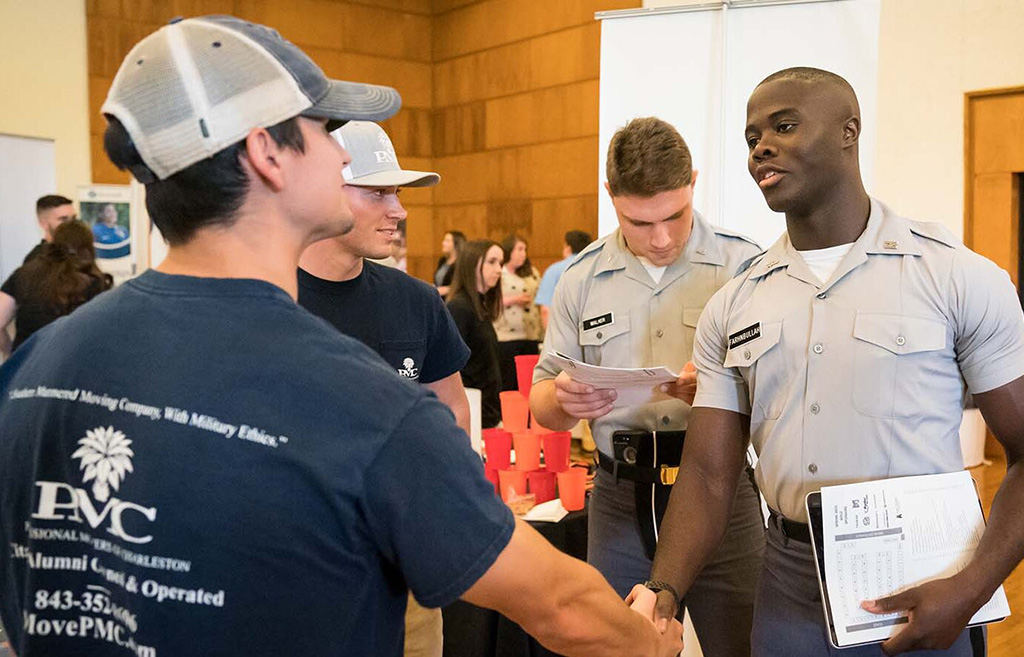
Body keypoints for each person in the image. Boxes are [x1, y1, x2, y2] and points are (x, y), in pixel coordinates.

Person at [0, 16, 681, 657]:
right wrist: (648, 641)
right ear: (268, 153)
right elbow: (559, 604)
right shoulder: (362, 403)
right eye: (326, 128)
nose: (340, 150)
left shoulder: (37, 366)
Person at [649, 67, 1024, 657]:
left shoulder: (955, 276)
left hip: (925, 588)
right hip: (788, 589)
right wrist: (663, 587)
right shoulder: (736, 302)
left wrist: (971, 588)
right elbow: (708, 474)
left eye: (785, 126)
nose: (761, 148)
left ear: (849, 131)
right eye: (752, 138)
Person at [531, 116, 766, 657]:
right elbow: (544, 403)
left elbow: (780, 391)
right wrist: (564, 399)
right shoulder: (580, 278)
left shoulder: (745, 265)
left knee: (746, 643)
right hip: (619, 495)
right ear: (610, 195)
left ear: (694, 183)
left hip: (721, 488)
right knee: (616, 646)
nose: (660, 238)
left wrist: (718, 393)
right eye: (639, 223)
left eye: (675, 216)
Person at [298, 119, 467, 657]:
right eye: (377, 191)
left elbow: (453, 414)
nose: (399, 209)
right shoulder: (267, 301)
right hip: (300, 578)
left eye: (397, 192)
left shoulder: (416, 300)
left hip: (408, 581)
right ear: (323, 186)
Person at [0, 219, 112, 357]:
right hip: (69, 365)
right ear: (89, 248)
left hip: (27, 364)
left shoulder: (25, 273)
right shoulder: (95, 282)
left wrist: (10, 352)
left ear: (54, 243)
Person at [447, 240, 505, 429]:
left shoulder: (479, 307)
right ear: (473, 264)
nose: (498, 270)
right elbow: (451, 368)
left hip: (487, 412)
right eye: (492, 262)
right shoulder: (459, 308)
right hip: (473, 413)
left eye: (501, 263)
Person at [494, 233, 543, 391]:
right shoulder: (499, 273)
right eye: (519, 249)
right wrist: (513, 299)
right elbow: (488, 301)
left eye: (525, 249)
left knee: (529, 382)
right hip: (507, 335)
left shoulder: (531, 272)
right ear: (509, 251)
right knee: (509, 381)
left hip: (530, 333)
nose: (523, 253)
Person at [535, 229, 592, 330]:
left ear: (568, 247)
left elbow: (545, 310)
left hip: (563, 333)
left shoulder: (554, 271)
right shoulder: (595, 269)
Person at [22, 195, 76, 264]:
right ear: (43, 223)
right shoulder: (36, 260)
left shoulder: (77, 254)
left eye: (73, 218)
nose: (72, 224)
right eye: (63, 219)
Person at [434, 230, 465, 296]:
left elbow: (464, 286)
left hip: (454, 300)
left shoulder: (462, 263)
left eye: (447, 241)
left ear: (456, 244)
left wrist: (448, 289)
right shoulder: (442, 261)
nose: (443, 243)